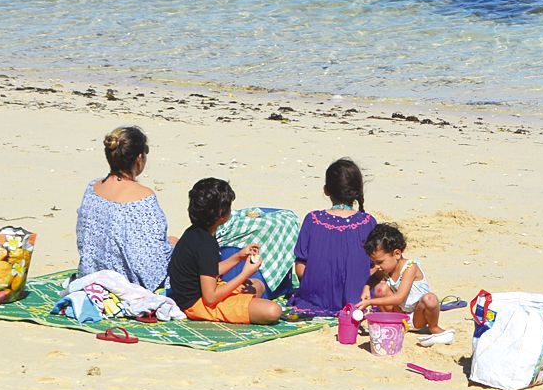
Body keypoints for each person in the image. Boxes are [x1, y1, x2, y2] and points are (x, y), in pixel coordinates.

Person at [169, 177, 283, 325]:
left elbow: (208, 270)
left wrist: (238, 256)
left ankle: (247, 305)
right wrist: (245, 273)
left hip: (199, 293)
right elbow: (211, 297)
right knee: (273, 311)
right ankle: (246, 307)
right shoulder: (206, 244)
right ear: (222, 215)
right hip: (197, 304)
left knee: (257, 285)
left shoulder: (195, 233)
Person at [74, 126, 172, 291]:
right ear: (139, 158)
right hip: (124, 282)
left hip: (91, 274)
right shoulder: (143, 198)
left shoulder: (93, 187)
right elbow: (151, 264)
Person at [286, 158, 377, 316]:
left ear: (326, 190)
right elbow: (375, 266)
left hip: (316, 299)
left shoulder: (312, 219)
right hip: (359, 298)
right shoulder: (368, 222)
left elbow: (300, 267)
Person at [362, 223, 452, 346]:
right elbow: (374, 279)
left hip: (418, 316)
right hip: (399, 315)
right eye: (374, 262)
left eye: (380, 262)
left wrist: (370, 302)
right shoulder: (386, 268)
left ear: (397, 254)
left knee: (430, 299)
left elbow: (399, 297)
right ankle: (392, 323)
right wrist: (366, 289)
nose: (376, 266)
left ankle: (434, 327)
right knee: (380, 289)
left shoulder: (410, 268)